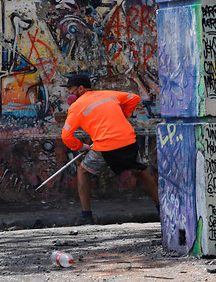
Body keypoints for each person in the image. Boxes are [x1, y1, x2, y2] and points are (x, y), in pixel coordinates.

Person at [62, 73, 159, 225]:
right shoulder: (108, 94)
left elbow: (66, 136)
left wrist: (82, 146)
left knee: (83, 171)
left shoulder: (76, 107)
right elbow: (134, 98)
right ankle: (162, 207)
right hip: (128, 139)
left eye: (70, 90)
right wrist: (121, 115)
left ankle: (86, 216)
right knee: (139, 171)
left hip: (105, 146)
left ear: (80, 89)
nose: (68, 94)